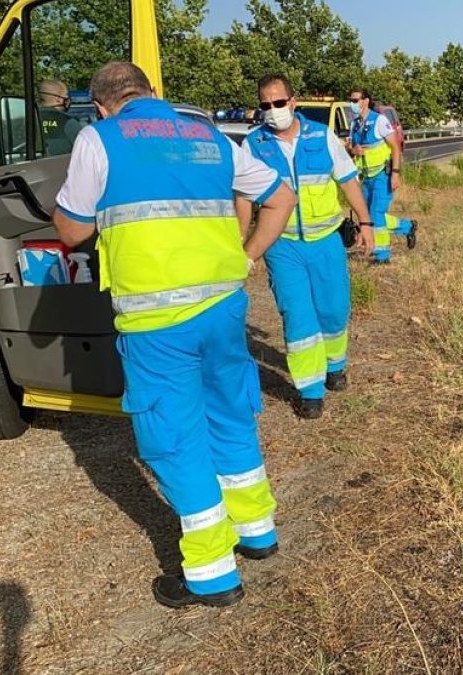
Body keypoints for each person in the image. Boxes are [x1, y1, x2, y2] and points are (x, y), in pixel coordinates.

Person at [51, 62, 298, 609]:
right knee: (231, 415)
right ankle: (257, 531)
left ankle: (211, 574)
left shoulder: (99, 137)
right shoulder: (210, 135)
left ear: (101, 105)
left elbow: (71, 230)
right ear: (152, 93)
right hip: (223, 308)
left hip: (156, 321)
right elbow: (280, 198)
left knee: (174, 437)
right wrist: (246, 256)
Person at [238, 74, 374, 419]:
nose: (273, 110)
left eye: (279, 103)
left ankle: (335, 365)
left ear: (293, 102)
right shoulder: (253, 145)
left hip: (326, 240)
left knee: (333, 309)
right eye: (266, 105)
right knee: (297, 315)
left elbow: (348, 180)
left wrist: (366, 222)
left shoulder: (321, 136)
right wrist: (241, 241)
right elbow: (243, 197)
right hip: (282, 245)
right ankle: (310, 390)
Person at [346, 89, 417, 263]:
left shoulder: (379, 121)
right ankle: (407, 226)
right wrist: (352, 150)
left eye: (355, 100)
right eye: (351, 100)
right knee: (369, 216)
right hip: (365, 177)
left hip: (382, 175)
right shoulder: (354, 124)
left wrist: (395, 174)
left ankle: (382, 255)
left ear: (366, 101)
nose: (352, 104)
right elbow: (350, 149)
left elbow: (395, 147)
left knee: (376, 213)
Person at [38, 79, 83, 156]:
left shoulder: (28, 119)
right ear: (58, 99)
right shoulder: (69, 123)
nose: (68, 99)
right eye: (66, 96)